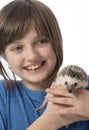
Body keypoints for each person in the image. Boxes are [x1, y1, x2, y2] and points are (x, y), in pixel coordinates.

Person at [0, 0, 89, 130]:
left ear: (56, 42)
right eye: (17, 47)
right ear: (3, 55)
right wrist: (51, 120)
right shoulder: (3, 96)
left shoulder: (85, 87)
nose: (32, 56)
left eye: (41, 41)